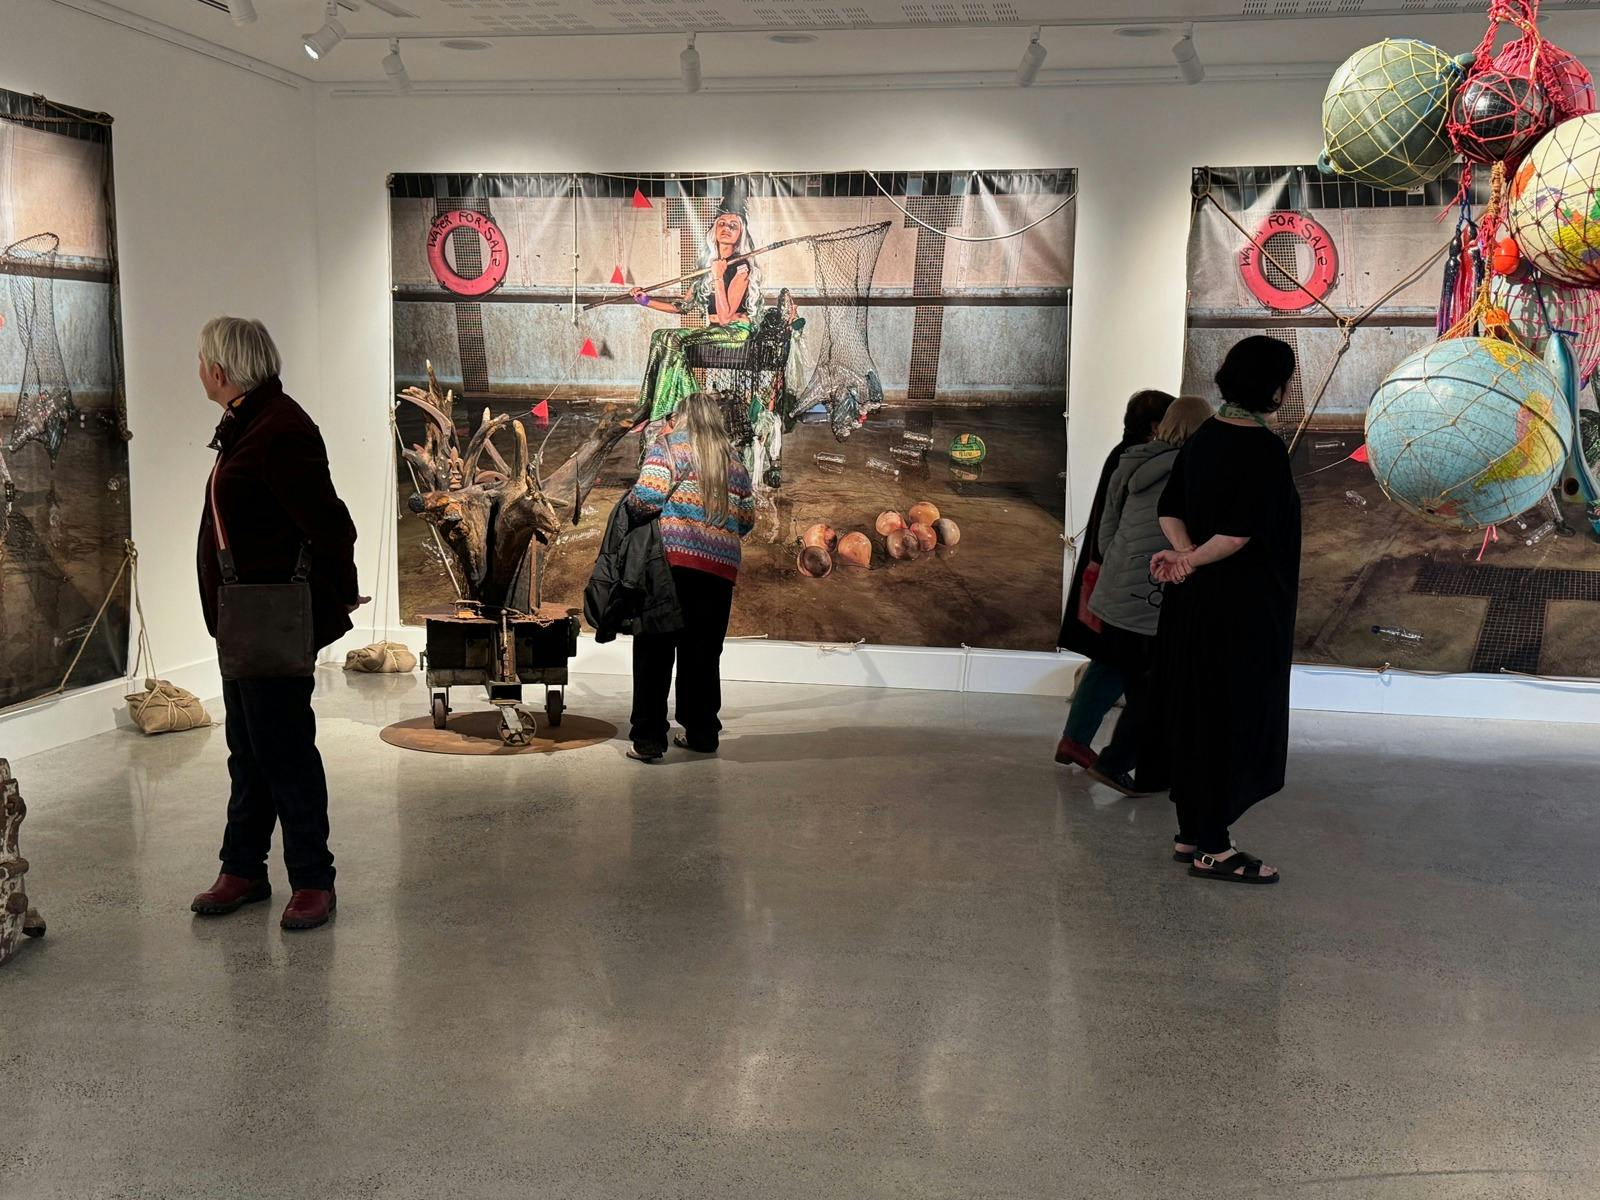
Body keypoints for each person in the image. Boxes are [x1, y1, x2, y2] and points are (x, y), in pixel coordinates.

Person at [189, 317, 364, 930]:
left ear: (222, 368)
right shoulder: (247, 424)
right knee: (249, 749)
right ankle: (244, 867)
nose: (199, 369)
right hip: (242, 620)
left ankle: (314, 878)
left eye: (203, 358)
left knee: (284, 749)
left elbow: (330, 524)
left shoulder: (281, 428)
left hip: (270, 621)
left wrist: (328, 606)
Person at [1150, 336, 1301, 885]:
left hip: (1193, 605)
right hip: (1243, 612)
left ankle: (1191, 831)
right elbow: (1239, 535)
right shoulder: (1263, 449)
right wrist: (1196, 559)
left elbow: (1170, 508)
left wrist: (1186, 558)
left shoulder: (1205, 435)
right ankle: (1214, 847)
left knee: (1196, 711)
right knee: (1232, 717)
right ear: (1274, 387)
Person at [1083, 395, 1214, 796]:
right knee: (1159, 691)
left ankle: (1153, 773)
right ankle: (1116, 762)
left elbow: (1106, 531)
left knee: (1142, 685)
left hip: (1117, 589)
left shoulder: (1131, 461)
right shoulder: (1195, 470)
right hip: (1156, 594)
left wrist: (1123, 564)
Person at [624, 390, 756, 762]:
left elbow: (646, 498)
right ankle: (702, 734)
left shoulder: (668, 447)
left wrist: (633, 506)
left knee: (655, 649)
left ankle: (649, 740)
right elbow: (746, 521)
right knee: (703, 653)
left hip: (670, 565)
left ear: (680, 417)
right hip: (718, 572)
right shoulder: (733, 460)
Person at [1055, 390, 1175, 768]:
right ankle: (1105, 750)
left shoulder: (1123, 455)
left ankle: (1079, 741)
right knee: (1122, 665)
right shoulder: (1145, 461)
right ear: (1156, 427)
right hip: (1126, 582)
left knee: (1113, 663)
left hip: (1111, 576)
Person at [630, 192, 762, 440]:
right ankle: (648, 409)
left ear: (740, 234)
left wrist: (718, 275)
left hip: (734, 332)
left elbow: (724, 317)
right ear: (714, 229)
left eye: (733, 226)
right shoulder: (706, 266)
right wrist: (645, 301)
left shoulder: (741, 268)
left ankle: (673, 413)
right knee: (661, 335)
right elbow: (682, 307)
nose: (726, 228)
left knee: (673, 340)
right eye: (722, 223)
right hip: (713, 331)